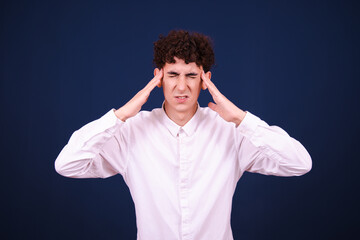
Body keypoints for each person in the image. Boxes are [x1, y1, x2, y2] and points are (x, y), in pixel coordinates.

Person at [55, 30, 312, 240]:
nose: (181, 86)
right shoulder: (131, 132)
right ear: (158, 78)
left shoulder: (231, 132)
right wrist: (120, 115)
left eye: (191, 75)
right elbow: (67, 164)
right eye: (172, 75)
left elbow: (300, 163)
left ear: (205, 79)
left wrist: (241, 119)